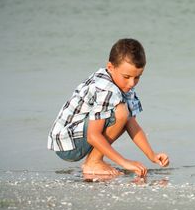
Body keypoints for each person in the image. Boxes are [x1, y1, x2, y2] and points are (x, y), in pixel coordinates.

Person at [47, 38, 169, 177]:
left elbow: (131, 123)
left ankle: (94, 160)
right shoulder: (106, 89)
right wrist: (124, 162)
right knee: (121, 112)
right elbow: (93, 136)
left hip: (78, 137)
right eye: (127, 76)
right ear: (110, 67)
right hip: (67, 142)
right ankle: (93, 162)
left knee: (125, 113)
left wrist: (151, 155)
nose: (131, 83)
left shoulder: (121, 84)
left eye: (137, 77)